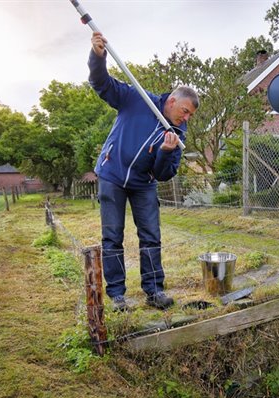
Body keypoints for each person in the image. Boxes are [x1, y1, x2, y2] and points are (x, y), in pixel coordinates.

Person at [88, 31, 199, 311]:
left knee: (150, 235)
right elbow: (101, 84)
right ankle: (117, 295)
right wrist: (98, 58)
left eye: (189, 116)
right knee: (112, 236)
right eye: (184, 111)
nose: (185, 118)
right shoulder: (137, 99)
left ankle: (154, 290)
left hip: (143, 185)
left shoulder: (176, 133)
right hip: (112, 175)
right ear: (172, 101)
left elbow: (165, 174)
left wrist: (166, 151)